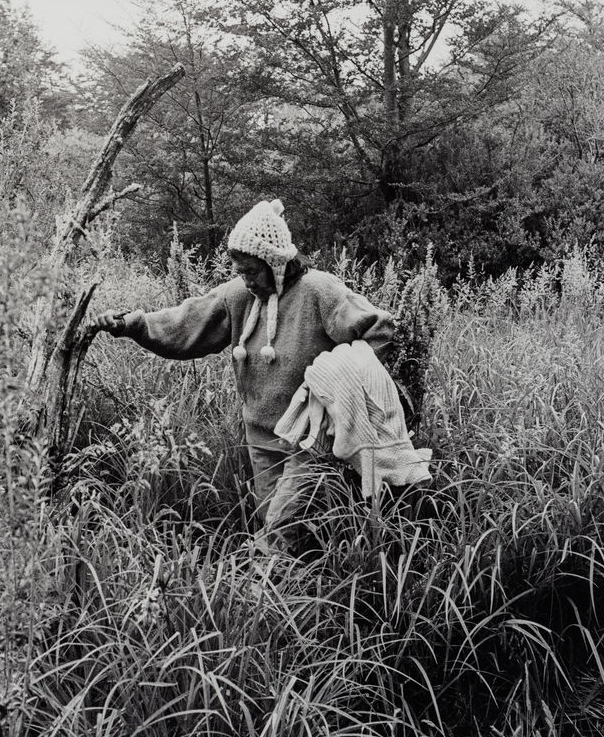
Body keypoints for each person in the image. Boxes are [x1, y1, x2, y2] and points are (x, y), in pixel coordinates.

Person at [90, 199, 395, 549]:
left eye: (251, 270)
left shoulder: (319, 291)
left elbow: (379, 330)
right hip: (261, 437)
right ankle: (307, 590)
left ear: (276, 263)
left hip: (309, 439)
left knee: (278, 532)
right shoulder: (237, 296)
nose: (245, 280)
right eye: (239, 271)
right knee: (277, 525)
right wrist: (131, 323)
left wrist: (340, 388)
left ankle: (258, 596)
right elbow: (185, 325)